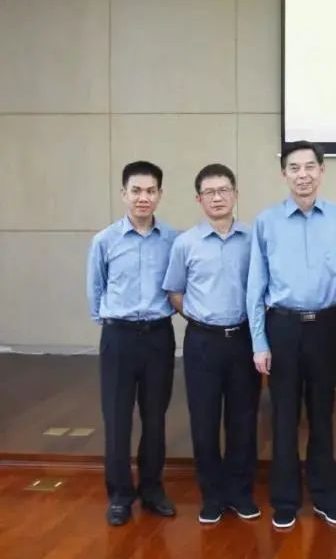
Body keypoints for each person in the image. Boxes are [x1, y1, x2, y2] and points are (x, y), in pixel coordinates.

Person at [247, 140, 336, 529]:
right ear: (284, 174)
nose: (303, 175)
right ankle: (285, 500)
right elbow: (255, 286)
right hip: (282, 326)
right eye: (294, 168)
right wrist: (259, 342)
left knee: (323, 414)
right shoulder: (266, 221)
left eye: (310, 167)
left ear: (322, 171)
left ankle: (326, 496)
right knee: (284, 415)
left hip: (327, 325)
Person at [162, 164, 260, 524]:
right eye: (209, 192)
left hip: (244, 339)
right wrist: (200, 316)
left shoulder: (253, 239)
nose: (217, 198)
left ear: (235, 194)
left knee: (243, 420)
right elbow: (174, 292)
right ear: (198, 199)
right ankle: (212, 495)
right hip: (202, 341)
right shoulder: (185, 243)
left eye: (223, 190)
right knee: (204, 421)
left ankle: (240, 492)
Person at [86, 160, 178, 526]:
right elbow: (95, 291)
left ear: (160, 194)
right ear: (124, 194)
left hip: (158, 336)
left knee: (155, 418)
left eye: (151, 190)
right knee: (117, 418)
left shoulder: (173, 240)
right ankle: (120, 495)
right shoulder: (105, 240)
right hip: (119, 337)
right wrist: (114, 323)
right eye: (136, 190)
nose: (144, 197)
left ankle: (152, 490)